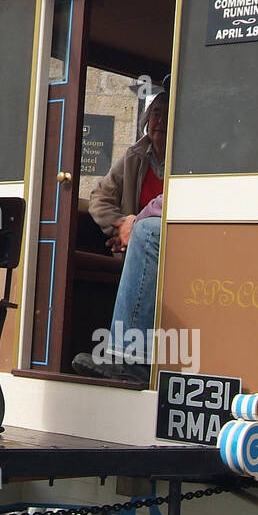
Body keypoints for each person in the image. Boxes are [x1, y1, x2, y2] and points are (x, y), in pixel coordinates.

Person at [73, 89, 168, 384]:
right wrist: (120, 227)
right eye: (155, 113)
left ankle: (127, 360)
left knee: (147, 232)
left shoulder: (187, 156)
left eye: (167, 114)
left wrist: (135, 227)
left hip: (173, 243)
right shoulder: (134, 156)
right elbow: (100, 197)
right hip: (134, 246)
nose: (160, 121)